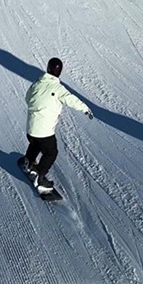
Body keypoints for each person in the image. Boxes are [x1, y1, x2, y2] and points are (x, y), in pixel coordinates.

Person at [19, 58, 93, 193]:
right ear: (59, 72)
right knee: (51, 152)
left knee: (35, 143)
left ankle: (28, 162)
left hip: (30, 129)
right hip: (45, 132)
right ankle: (39, 176)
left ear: (47, 68)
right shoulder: (58, 89)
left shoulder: (36, 83)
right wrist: (85, 109)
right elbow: (71, 99)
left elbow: (28, 98)